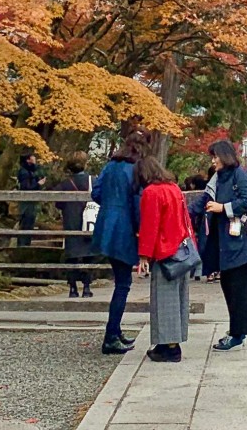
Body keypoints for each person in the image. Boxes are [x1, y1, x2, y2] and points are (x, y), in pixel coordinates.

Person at [91, 126, 144, 355]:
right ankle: (111, 335)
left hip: (106, 224)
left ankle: (116, 330)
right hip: (124, 229)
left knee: (120, 281)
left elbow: (96, 192)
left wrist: (111, 205)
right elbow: (137, 203)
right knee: (123, 284)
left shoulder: (111, 165)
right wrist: (141, 229)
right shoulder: (135, 170)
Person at [135, 152, 192, 363]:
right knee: (178, 299)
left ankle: (169, 346)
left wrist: (144, 255)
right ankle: (168, 342)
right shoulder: (174, 188)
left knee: (163, 300)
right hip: (181, 250)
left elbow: (150, 226)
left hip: (164, 251)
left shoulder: (152, 192)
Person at [204, 138, 247, 351]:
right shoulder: (217, 178)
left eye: (215, 156)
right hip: (221, 242)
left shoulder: (239, 175)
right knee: (229, 285)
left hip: (237, 242)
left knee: (239, 289)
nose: (213, 160)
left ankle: (238, 332)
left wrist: (223, 207)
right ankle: (236, 329)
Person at [54, 159, 95, 299]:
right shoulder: (92, 181)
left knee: (72, 256)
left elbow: (58, 203)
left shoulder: (65, 184)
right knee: (88, 255)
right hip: (89, 223)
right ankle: (87, 287)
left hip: (71, 221)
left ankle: (73, 288)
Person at [15, 152, 43, 236]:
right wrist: (38, 184)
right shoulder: (24, 172)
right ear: (28, 160)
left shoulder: (30, 171)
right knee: (26, 224)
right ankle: (23, 245)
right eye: (32, 157)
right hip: (26, 203)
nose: (34, 158)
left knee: (29, 224)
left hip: (31, 202)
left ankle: (26, 244)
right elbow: (26, 188)